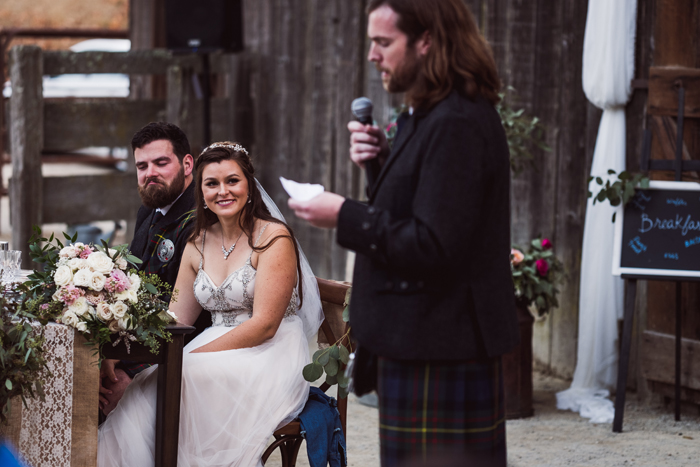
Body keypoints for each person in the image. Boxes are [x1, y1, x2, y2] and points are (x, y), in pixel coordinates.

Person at [288, 1, 519, 465]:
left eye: (383, 42)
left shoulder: (457, 121)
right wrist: (380, 164)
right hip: (424, 339)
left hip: (442, 346)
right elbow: (428, 210)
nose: (373, 54)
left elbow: (434, 244)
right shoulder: (429, 114)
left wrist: (345, 214)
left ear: (427, 41)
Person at [97, 142, 324, 467]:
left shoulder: (274, 239)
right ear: (200, 189)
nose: (223, 191)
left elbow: (265, 325)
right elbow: (172, 318)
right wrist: (117, 354)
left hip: (270, 352)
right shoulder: (197, 242)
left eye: (232, 181)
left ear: (249, 183)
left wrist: (185, 359)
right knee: (144, 388)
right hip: (212, 345)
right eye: (212, 183)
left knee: (173, 380)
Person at [99, 122, 210, 415]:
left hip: (183, 354)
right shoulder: (148, 209)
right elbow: (135, 289)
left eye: (161, 163)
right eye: (142, 165)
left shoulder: (202, 223)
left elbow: (186, 322)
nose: (150, 173)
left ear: (188, 164)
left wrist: (129, 371)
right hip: (142, 341)